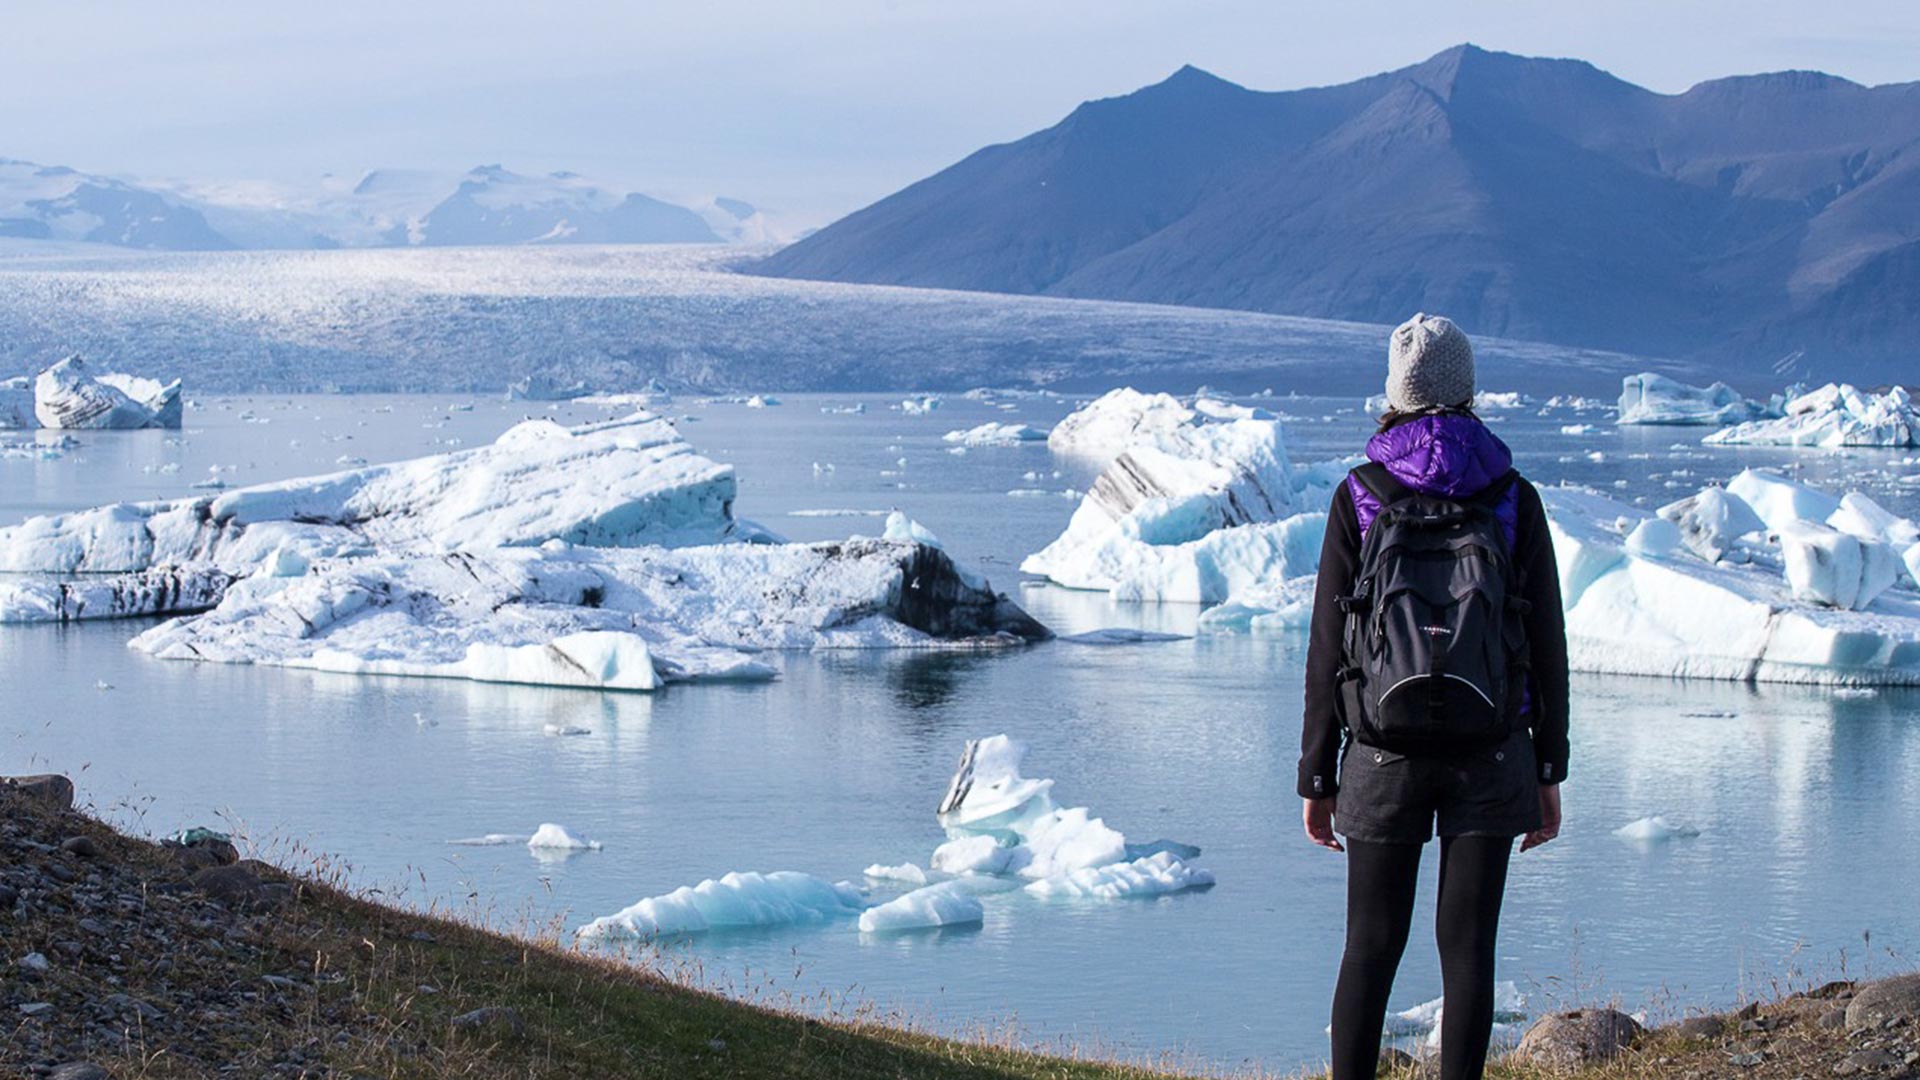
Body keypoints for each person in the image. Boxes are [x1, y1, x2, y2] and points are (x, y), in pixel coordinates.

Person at [1298, 313, 1569, 1080]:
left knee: (1370, 947)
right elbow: (1547, 646)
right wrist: (1550, 769)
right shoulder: (1513, 495)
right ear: (1468, 388)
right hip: (1492, 749)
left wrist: (1317, 776)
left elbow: (1328, 647)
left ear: (1394, 393)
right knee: (1469, 951)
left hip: (1382, 751)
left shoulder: (1362, 493)